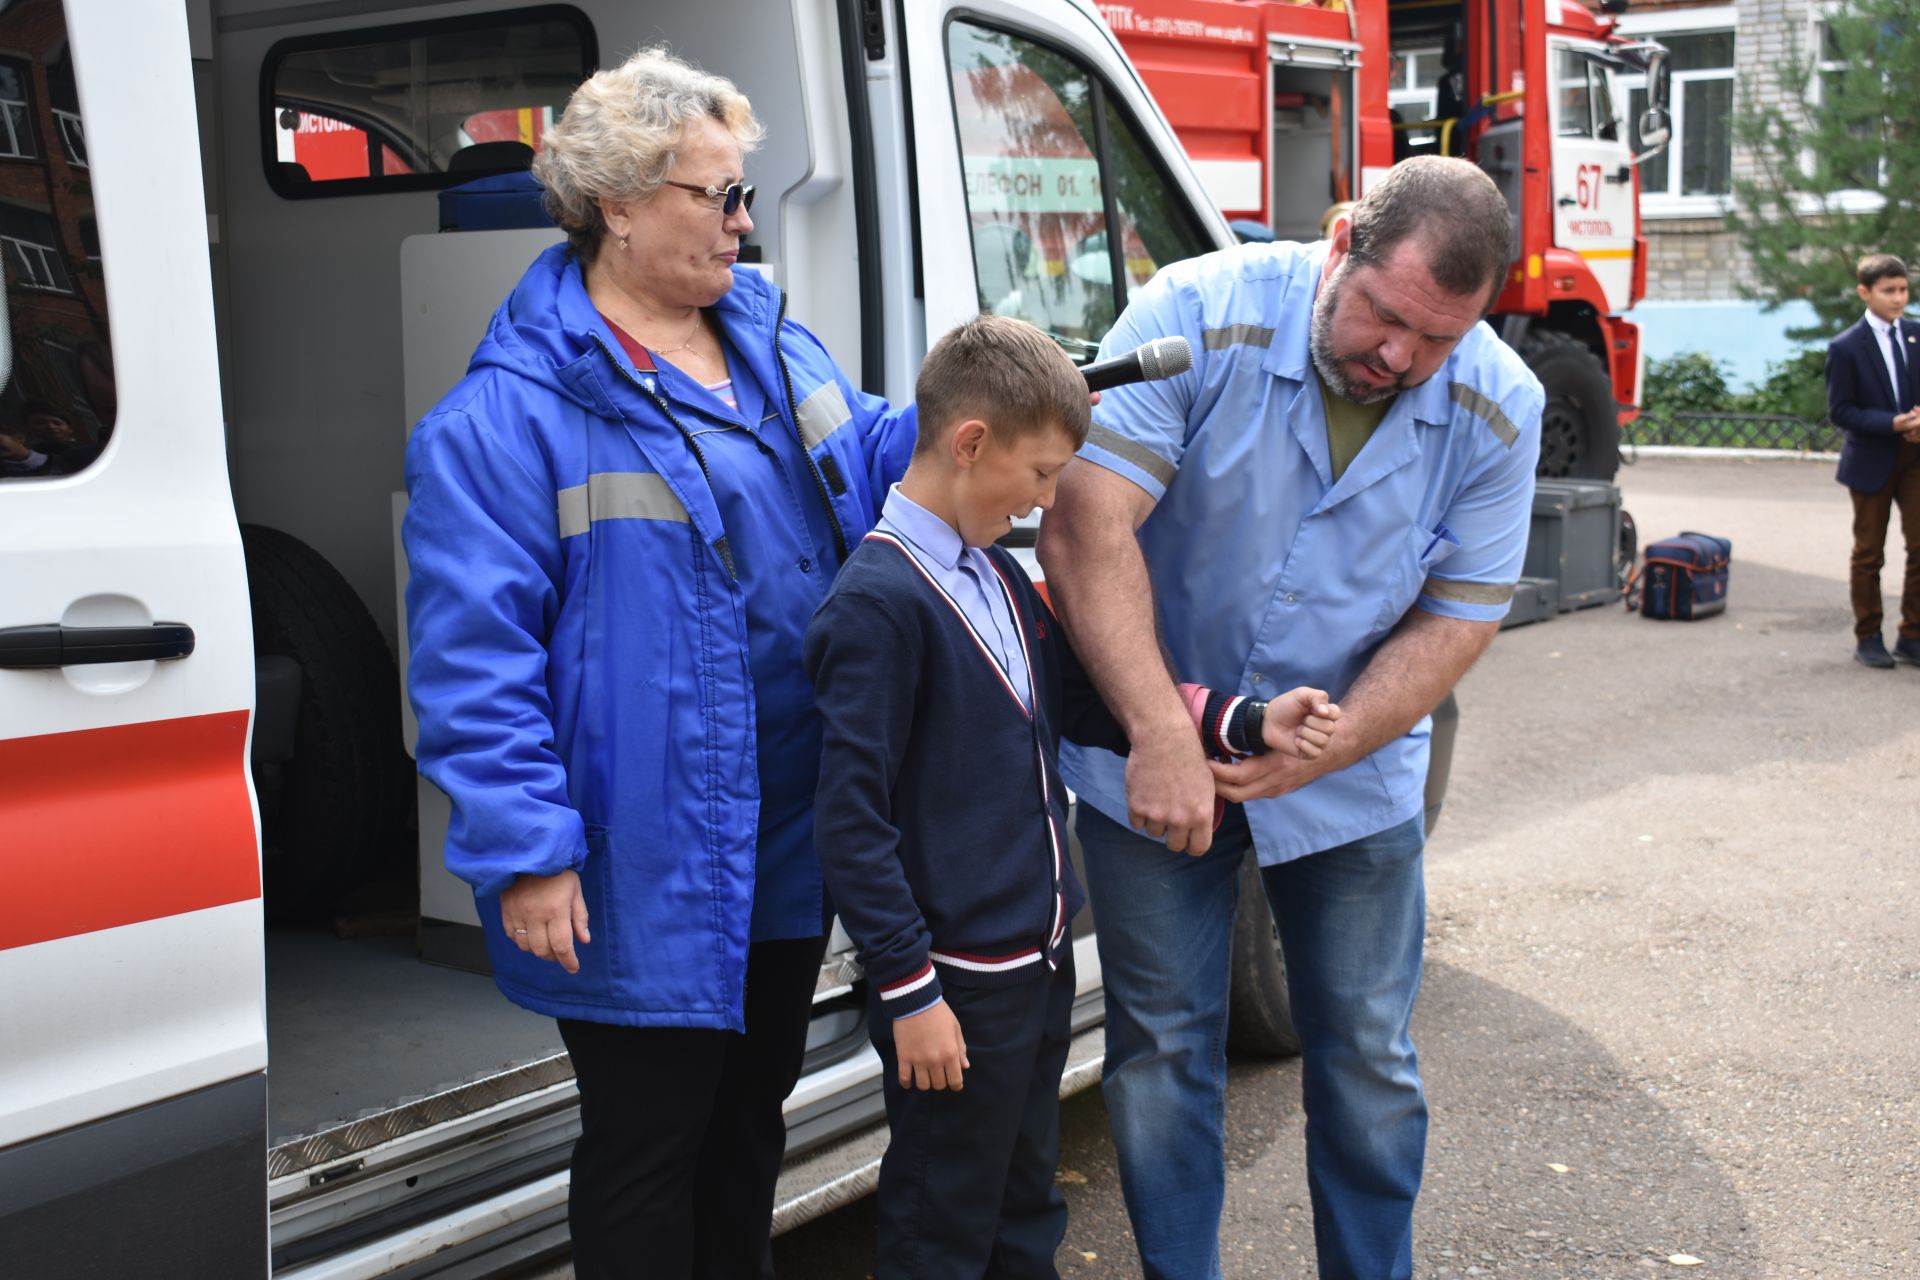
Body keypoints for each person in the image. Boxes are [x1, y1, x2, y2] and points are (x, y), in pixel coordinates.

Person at [401, 47, 919, 1279]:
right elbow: (475, 663)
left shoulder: (769, 343)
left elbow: (873, 455)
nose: (745, 225)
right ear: (618, 203)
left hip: (789, 832)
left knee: (749, 1125)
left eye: (746, 194)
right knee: (649, 1147)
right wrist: (527, 847)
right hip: (646, 846)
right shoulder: (504, 417)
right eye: (719, 196)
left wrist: (985, 397)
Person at [1036, 156, 1545, 1280]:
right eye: (1386, 316)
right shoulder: (1196, 313)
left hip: (1349, 774)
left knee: (1367, 1057)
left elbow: (1457, 618)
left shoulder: (1502, 406)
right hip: (1151, 746)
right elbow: (1083, 526)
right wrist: (1165, 734)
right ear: (1342, 244)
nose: (1400, 358)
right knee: (1164, 1051)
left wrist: (1340, 738)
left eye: (1438, 340)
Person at [805, 315, 1339, 1280]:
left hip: (1033, 967)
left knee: (1025, 1212)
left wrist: (1247, 721)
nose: (1050, 501)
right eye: (1043, 474)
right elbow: (849, 823)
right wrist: (908, 987)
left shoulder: (999, 578)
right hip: (954, 987)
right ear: (971, 444)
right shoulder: (879, 605)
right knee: (940, 1228)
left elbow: (1091, 701)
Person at [1825, 252, 1920, 669]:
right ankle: (1869, 636)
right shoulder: (1846, 347)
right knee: (1869, 553)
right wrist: (1893, 423)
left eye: (1903, 290)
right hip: (1871, 460)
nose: (1898, 299)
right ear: (1865, 292)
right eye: (1889, 291)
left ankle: (1912, 635)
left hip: (1915, 456)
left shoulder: (1917, 334)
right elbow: (1841, 411)